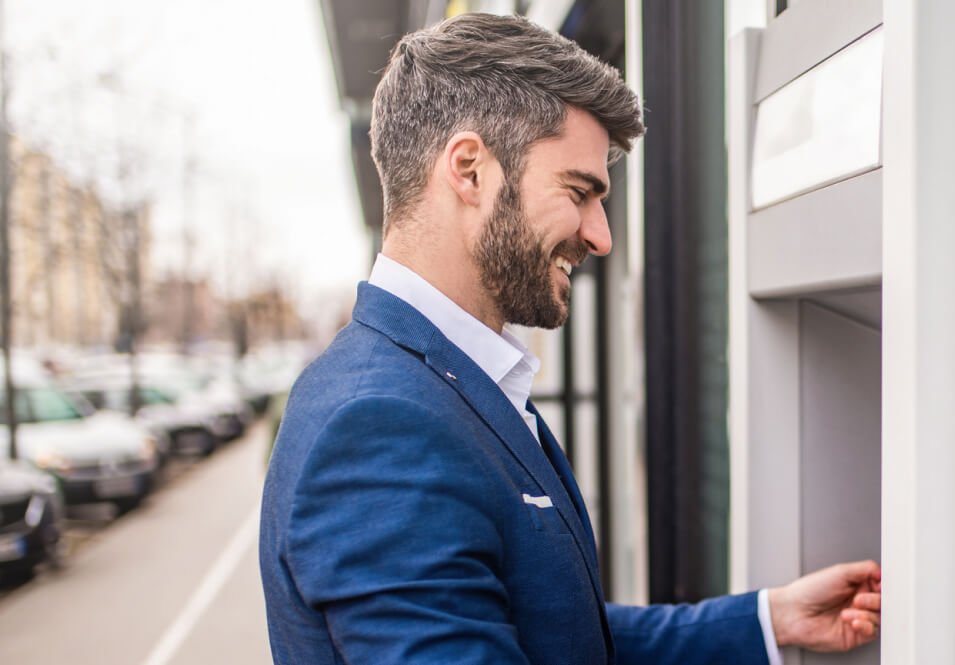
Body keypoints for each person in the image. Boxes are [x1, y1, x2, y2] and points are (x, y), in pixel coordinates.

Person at [259, 13, 881, 665]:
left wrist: (767, 621)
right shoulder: (379, 428)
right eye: (579, 191)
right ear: (469, 170)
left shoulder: (440, 379)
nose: (601, 235)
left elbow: (551, 630)